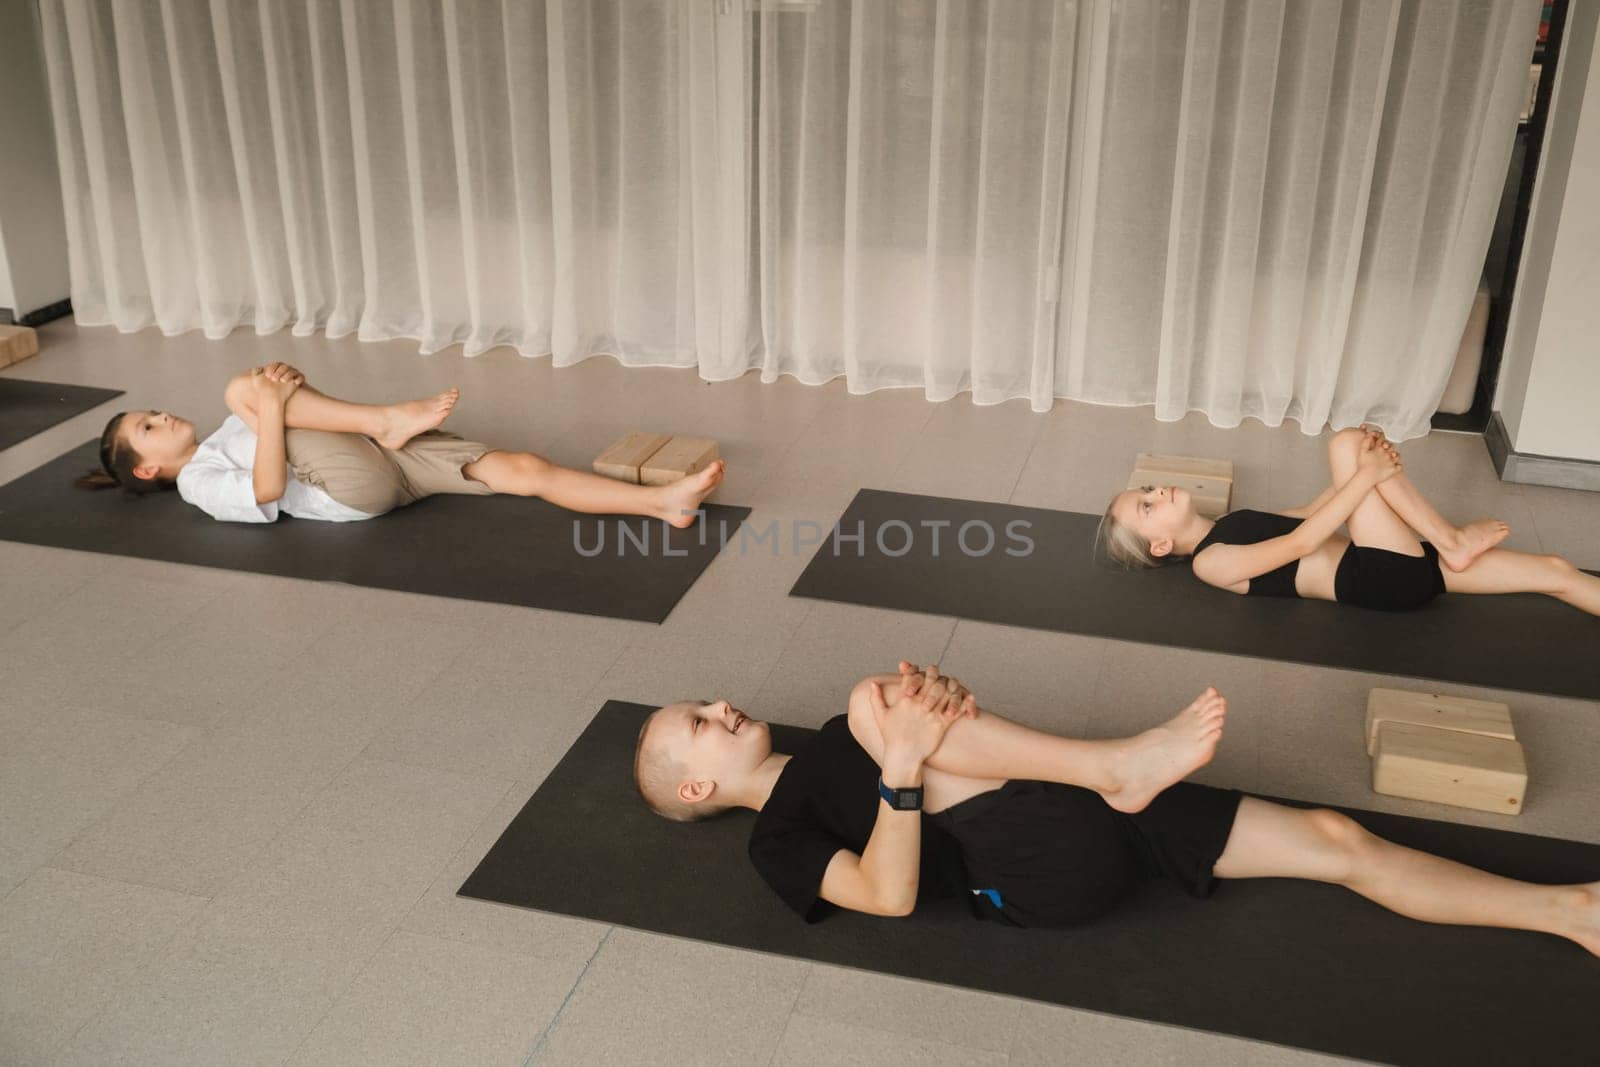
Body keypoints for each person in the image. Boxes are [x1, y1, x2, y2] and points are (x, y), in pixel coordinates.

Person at [632, 662, 1600, 953]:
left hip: (1065, 802)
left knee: (1335, 839)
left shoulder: (837, 732)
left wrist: (941, 706)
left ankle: (1569, 911)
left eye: (706, 699)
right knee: (868, 700)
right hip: (1027, 871)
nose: (722, 706)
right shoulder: (774, 840)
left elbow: (956, 741)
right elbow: (886, 894)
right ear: (695, 787)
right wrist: (903, 761)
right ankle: (1120, 763)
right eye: (700, 719)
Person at [75, 362, 724, 526]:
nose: (160, 416)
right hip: (351, 492)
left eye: (152, 411)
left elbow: (289, 411)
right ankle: (386, 418)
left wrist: (281, 388)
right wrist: (268, 405)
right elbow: (267, 490)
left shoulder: (228, 430)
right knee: (241, 386)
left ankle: (659, 503)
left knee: (523, 468)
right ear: (151, 466)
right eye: (148, 427)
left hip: (386, 460)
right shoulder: (195, 481)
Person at [1099, 426, 1600, 616]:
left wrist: (1370, 466)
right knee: (1344, 444)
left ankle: (1448, 543)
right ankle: (1449, 539)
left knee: (1555, 570)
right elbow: (1302, 542)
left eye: (1146, 491)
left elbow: (1312, 512)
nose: (1155, 492)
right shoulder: (1211, 563)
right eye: (1146, 507)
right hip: (1379, 578)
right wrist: (1365, 474)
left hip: (1393, 560)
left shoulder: (1227, 523)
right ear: (1161, 546)